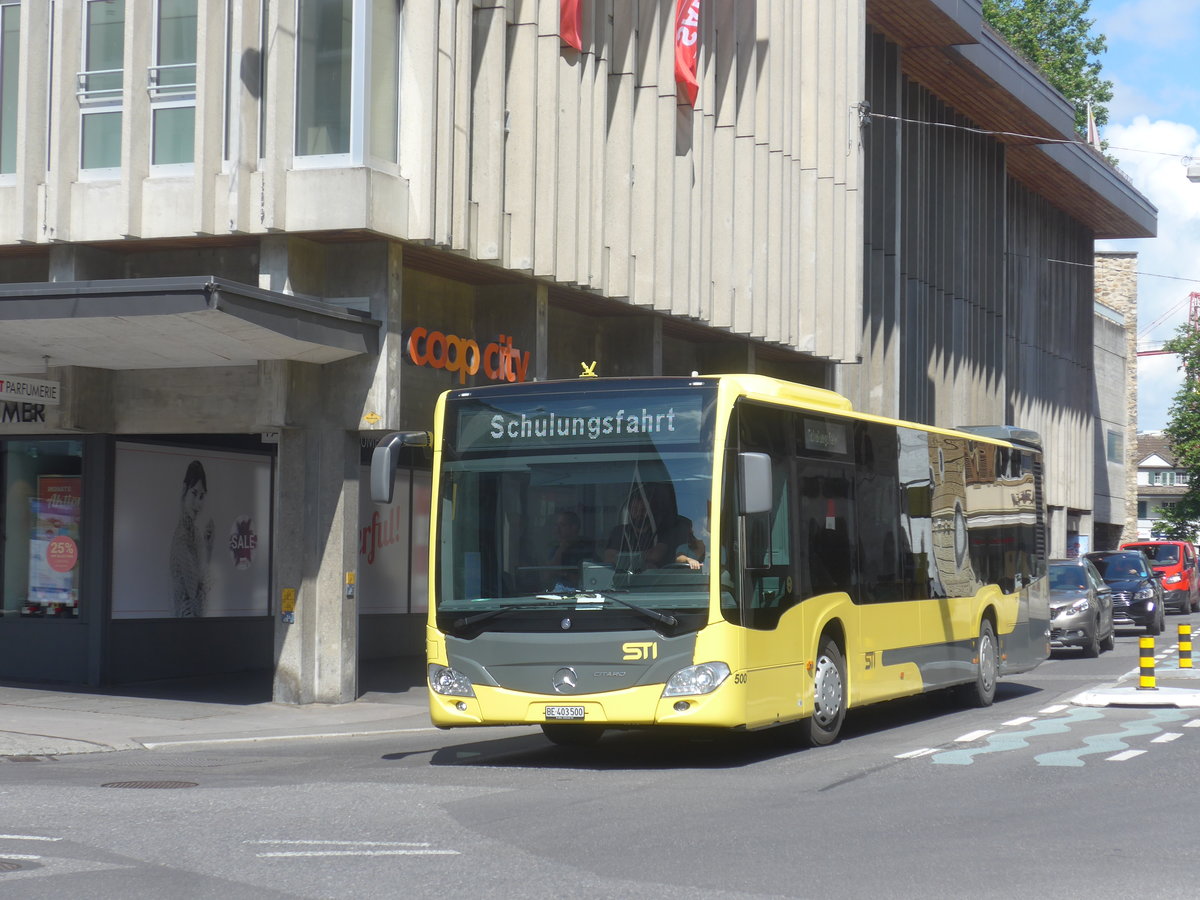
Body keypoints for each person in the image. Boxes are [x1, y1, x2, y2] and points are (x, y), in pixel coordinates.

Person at [604, 491, 704, 570]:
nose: (639, 513)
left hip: (654, 582)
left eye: (643, 510)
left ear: (650, 512)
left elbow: (655, 556)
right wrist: (645, 560)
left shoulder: (661, 531)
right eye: (635, 510)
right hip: (622, 583)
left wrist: (621, 559)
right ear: (629, 511)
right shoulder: (619, 531)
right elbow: (609, 558)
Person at [169, 459, 214, 617]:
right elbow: (199, 604)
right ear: (184, 490)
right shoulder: (182, 539)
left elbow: (202, 598)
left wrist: (208, 549)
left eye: (201, 496)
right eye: (194, 493)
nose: (197, 504)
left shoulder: (195, 534)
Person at [546, 510, 592, 586]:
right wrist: (561, 550)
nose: (557, 530)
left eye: (562, 525)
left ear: (574, 528)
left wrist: (564, 573)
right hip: (554, 594)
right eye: (556, 526)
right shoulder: (555, 549)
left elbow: (588, 580)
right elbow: (547, 576)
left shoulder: (586, 550)